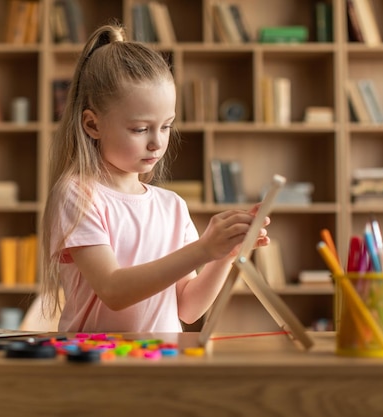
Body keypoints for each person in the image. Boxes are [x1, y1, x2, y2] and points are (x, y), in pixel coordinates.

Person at [41, 23, 270, 333]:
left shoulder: (171, 205)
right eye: (140, 129)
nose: (157, 142)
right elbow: (113, 290)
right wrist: (203, 249)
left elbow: (189, 309)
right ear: (93, 125)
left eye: (166, 126)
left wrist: (223, 256)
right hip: (96, 368)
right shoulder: (77, 194)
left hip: (158, 363)